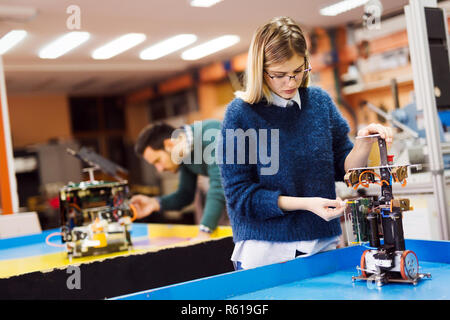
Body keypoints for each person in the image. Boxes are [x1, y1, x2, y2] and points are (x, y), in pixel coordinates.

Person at [218, 16, 393, 270]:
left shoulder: (320, 103)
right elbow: (240, 196)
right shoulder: (240, 114)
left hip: (321, 246)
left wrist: (364, 141)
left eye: (298, 72)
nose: (290, 83)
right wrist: (306, 204)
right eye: (279, 75)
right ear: (260, 70)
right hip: (265, 253)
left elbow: (347, 170)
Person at [131, 120, 227, 240]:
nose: (159, 169)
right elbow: (185, 195)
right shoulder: (184, 155)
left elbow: (220, 185)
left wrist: (205, 230)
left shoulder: (212, 134)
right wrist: (153, 203)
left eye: (158, 161)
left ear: (169, 145)